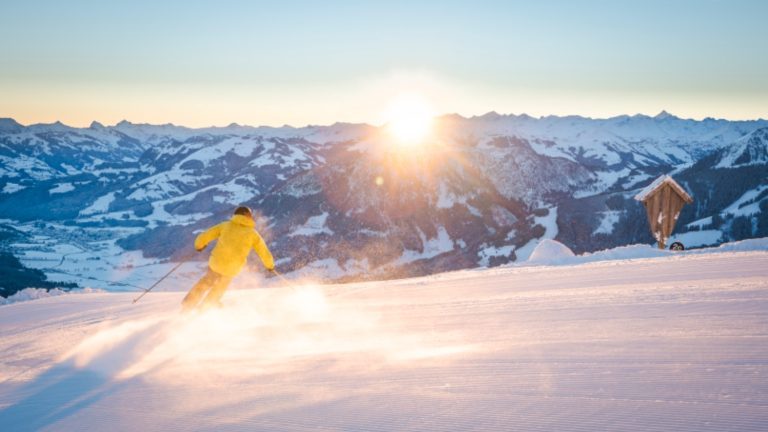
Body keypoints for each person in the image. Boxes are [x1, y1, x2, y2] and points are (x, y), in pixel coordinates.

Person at [182, 205, 275, 311]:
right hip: (232, 268)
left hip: (216, 263)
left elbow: (205, 235)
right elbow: (263, 251)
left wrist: (199, 246)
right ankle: (204, 308)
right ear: (245, 214)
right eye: (250, 214)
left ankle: (188, 305)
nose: (251, 216)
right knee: (219, 288)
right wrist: (270, 266)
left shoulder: (225, 226)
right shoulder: (253, 234)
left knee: (206, 282)